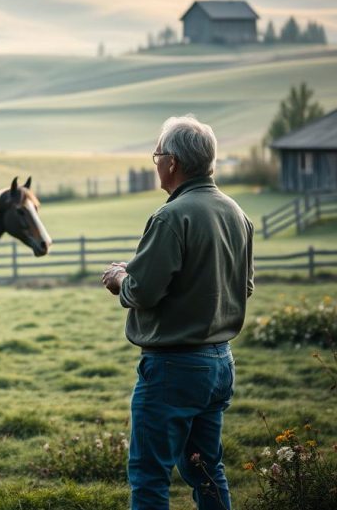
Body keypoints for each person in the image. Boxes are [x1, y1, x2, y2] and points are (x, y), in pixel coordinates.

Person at [102, 116, 254, 510]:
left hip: (174, 368)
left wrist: (121, 278)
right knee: (206, 470)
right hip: (221, 363)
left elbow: (144, 291)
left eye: (157, 156)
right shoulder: (236, 213)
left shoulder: (171, 217)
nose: (155, 164)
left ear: (172, 162)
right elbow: (244, 286)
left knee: (150, 476)